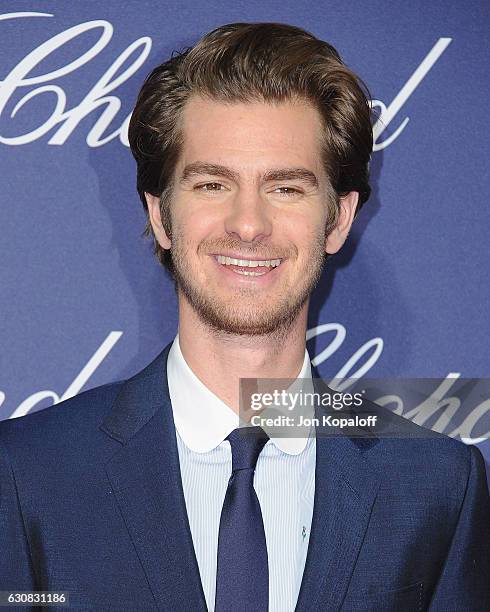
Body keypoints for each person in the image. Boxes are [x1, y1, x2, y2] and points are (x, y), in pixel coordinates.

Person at [0, 22, 488, 612]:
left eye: (285, 188)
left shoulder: (436, 482)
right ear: (161, 216)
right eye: (212, 183)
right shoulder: (29, 472)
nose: (248, 224)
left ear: (338, 220)